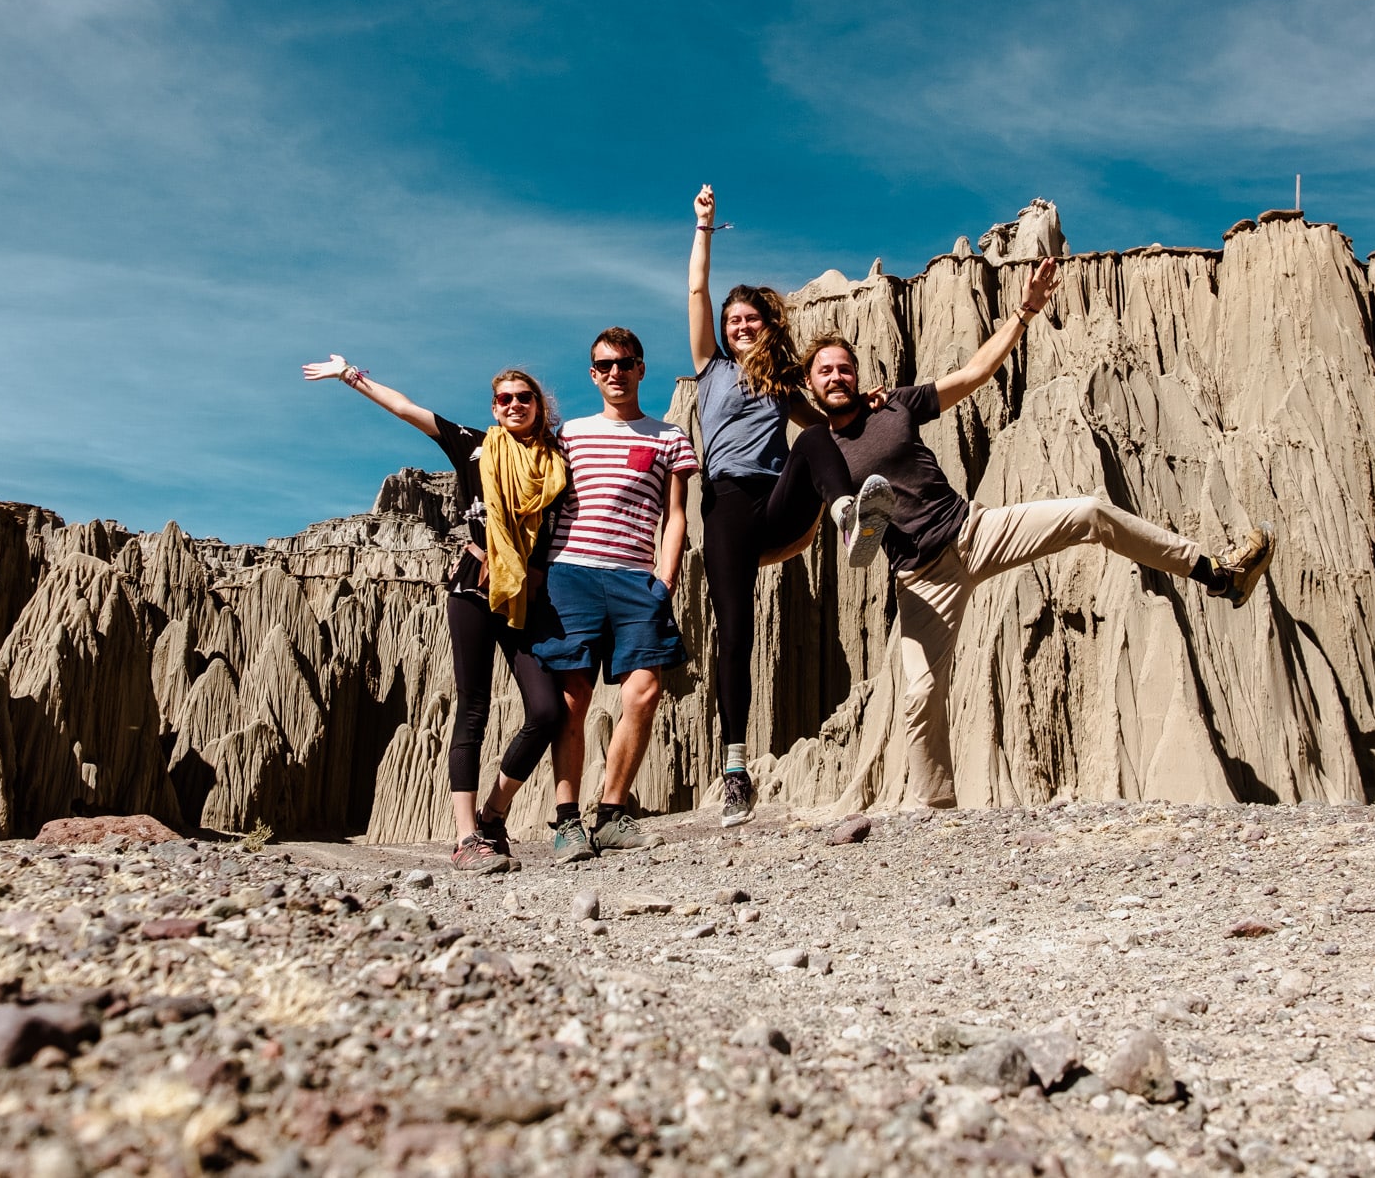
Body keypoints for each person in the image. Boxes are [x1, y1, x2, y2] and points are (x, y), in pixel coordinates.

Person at [800, 257, 1276, 809]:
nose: (837, 378)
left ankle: (1217, 574)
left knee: (1090, 513)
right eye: (825, 372)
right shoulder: (821, 452)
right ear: (810, 385)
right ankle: (933, 810)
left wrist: (1023, 313)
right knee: (919, 696)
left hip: (974, 530)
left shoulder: (898, 404)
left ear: (857, 374)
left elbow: (975, 374)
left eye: (843, 368)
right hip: (921, 578)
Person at [301, 353, 569, 874]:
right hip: (472, 586)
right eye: (505, 399)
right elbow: (405, 408)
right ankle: (467, 837)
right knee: (472, 709)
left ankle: (495, 813)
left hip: (526, 598)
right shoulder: (472, 444)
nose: (514, 405)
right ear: (495, 408)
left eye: (524, 397)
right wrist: (351, 376)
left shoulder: (559, 460)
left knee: (546, 712)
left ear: (540, 406)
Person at [686, 184, 894, 827]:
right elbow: (696, 293)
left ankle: (846, 517)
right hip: (724, 507)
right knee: (735, 632)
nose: (739, 326)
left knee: (809, 440)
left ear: (769, 325)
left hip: (779, 503)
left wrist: (872, 405)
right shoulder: (708, 368)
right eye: (732, 322)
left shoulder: (784, 386)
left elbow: (834, 420)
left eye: (750, 319)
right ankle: (735, 772)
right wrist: (705, 228)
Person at [530, 327, 699, 860]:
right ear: (593, 374)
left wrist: (664, 580)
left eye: (625, 363)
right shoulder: (570, 434)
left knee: (643, 693)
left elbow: (675, 516)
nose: (615, 373)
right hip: (571, 574)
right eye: (604, 365)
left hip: (634, 580)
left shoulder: (668, 436)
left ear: (641, 368)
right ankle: (566, 820)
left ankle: (612, 812)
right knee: (572, 702)